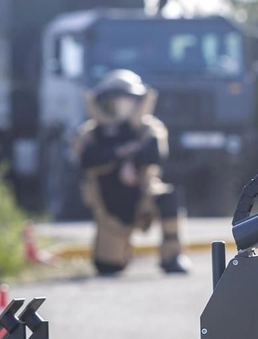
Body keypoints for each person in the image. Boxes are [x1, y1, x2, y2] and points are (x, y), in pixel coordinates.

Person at [72, 69, 189, 275]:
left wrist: (128, 160)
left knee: (168, 196)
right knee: (108, 267)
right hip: (109, 209)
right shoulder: (89, 133)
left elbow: (154, 154)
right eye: (114, 100)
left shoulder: (149, 128)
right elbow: (87, 159)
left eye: (127, 100)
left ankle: (172, 256)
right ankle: (119, 255)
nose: (121, 106)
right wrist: (120, 153)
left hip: (144, 198)